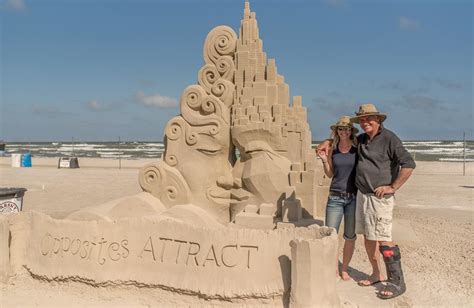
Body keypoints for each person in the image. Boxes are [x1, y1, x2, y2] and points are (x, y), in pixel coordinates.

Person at [318, 104, 415, 300]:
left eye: (369, 118)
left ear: (378, 120)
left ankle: (397, 281)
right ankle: (376, 274)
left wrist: (393, 187)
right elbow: (342, 138)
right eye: (362, 119)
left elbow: (409, 163)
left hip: (380, 198)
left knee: (383, 236)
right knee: (369, 237)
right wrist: (328, 141)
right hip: (361, 196)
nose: (365, 122)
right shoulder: (361, 139)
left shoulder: (389, 138)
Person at [316, 116, 358, 281]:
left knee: (350, 236)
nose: (344, 132)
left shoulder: (357, 149)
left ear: (351, 131)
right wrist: (325, 161)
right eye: (340, 129)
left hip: (353, 198)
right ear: (337, 131)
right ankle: (333, 266)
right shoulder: (333, 149)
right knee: (331, 235)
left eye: (347, 129)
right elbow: (330, 174)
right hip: (334, 198)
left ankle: (345, 268)